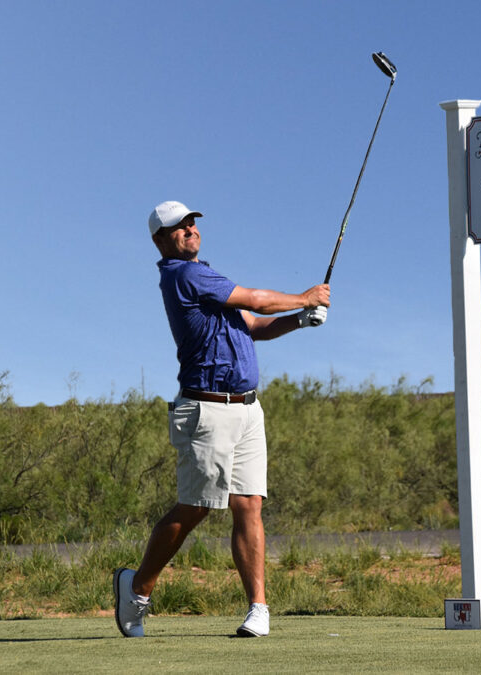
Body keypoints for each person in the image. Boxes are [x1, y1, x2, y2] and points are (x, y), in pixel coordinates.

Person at [114, 200, 329, 638]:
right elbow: (256, 300)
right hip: (206, 409)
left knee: (249, 504)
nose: (190, 230)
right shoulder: (183, 275)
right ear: (160, 240)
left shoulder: (207, 276)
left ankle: (258, 608)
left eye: (192, 222)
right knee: (195, 508)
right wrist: (304, 296)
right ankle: (136, 590)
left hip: (248, 409)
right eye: (178, 226)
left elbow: (256, 325)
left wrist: (301, 319)